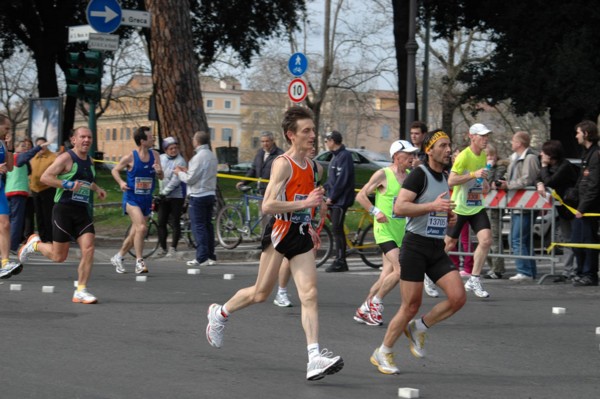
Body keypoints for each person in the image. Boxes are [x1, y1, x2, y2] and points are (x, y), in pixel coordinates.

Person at [206, 106, 344, 381]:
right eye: (306, 131)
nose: (312, 135)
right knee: (260, 294)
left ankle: (314, 357)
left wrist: (314, 221)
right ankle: (219, 313)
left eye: (313, 130)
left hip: (301, 233)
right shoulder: (283, 163)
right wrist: (304, 203)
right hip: (280, 232)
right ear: (290, 135)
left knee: (310, 294)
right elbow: (267, 205)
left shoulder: (314, 166)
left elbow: (311, 198)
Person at [370, 129, 465, 375]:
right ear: (429, 150)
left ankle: (420, 327)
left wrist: (447, 215)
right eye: (443, 146)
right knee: (410, 305)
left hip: (435, 246)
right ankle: (384, 351)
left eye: (449, 146)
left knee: (458, 297)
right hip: (414, 246)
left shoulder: (443, 176)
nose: (448, 150)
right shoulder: (418, 175)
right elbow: (399, 208)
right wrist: (433, 206)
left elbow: (434, 208)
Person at [18, 127, 107, 303]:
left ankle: (80, 290)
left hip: (82, 212)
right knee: (59, 257)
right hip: (63, 210)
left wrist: (98, 189)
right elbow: (45, 177)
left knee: (88, 248)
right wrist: (66, 184)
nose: (86, 140)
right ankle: (35, 244)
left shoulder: (89, 160)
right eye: (82, 137)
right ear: (74, 140)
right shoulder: (66, 158)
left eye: (89, 137)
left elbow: (86, 181)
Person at [354, 139, 435, 326]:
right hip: (384, 231)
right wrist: (376, 211)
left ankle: (363, 309)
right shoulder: (382, 174)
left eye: (414, 154)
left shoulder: (408, 176)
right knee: (401, 270)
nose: (413, 157)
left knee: (386, 276)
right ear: (397, 156)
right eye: (409, 154)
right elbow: (361, 195)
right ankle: (375, 303)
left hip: (401, 232)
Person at [444, 123, 493, 298]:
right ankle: (429, 273)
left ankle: (474, 278)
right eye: (482, 136)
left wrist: (484, 183)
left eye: (487, 136)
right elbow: (451, 181)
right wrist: (473, 175)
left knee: (486, 240)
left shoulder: (483, 155)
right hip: (460, 207)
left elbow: (479, 178)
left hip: (476, 205)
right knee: (448, 244)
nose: (485, 139)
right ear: (471, 136)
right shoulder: (463, 156)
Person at [110, 126, 163, 274]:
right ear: (142, 141)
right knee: (142, 228)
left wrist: (159, 172)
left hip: (146, 199)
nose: (153, 138)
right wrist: (121, 183)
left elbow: (161, 177)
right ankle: (139, 262)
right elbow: (114, 170)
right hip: (131, 198)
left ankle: (118, 256)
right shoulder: (130, 157)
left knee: (135, 232)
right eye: (150, 136)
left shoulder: (155, 155)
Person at [496, 131, 540, 281]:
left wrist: (508, 185)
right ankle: (529, 271)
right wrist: (503, 182)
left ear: (520, 143)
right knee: (523, 240)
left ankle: (524, 271)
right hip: (517, 204)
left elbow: (527, 179)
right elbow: (511, 176)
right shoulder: (515, 158)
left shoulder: (530, 158)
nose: (511, 143)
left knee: (517, 239)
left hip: (525, 204)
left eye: (513, 140)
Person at [535, 140, 579, 281]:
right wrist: (539, 183)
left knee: (576, 239)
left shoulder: (565, 166)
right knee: (567, 239)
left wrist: (543, 169)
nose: (541, 154)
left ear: (551, 154)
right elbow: (538, 178)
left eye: (543, 152)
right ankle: (567, 271)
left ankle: (577, 270)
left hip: (575, 206)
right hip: (563, 208)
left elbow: (550, 181)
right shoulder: (550, 166)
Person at [174, 131, 218, 267]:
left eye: (193, 139)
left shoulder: (197, 158)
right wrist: (187, 170)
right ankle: (211, 255)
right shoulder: (212, 156)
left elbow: (190, 179)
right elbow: (202, 174)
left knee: (198, 226)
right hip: (210, 193)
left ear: (197, 142)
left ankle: (201, 257)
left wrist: (179, 173)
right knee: (208, 226)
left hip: (198, 195)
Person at [570, 120, 600, 287]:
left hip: (589, 208)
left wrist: (582, 208)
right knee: (577, 241)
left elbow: (594, 185)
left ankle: (590, 274)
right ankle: (580, 271)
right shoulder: (586, 154)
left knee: (589, 242)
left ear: (586, 134)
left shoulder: (596, 155)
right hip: (581, 207)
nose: (576, 136)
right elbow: (582, 180)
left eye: (578, 132)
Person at [6, 138, 47, 252]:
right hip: (18, 192)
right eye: (22, 146)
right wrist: (39, 147)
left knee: (7, 221)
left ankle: (5, 245)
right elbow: (28, 155)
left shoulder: (10, 159)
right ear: (16, 147)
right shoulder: (18, 157)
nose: (25, 148)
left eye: (26, 146)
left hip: (8, 191)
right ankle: (12, 246)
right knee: (16, 221)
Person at [323, 130, 355, 272]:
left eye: (326, 141)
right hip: (336, 199)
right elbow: (332, 181)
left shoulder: (345, 156)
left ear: (332, 141)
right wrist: (322, 189)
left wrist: (332, 197)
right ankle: (340, 259)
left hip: (341, 201)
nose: (326, 143)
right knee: (336, 229)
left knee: (337, 228)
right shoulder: (335, 157)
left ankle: (341, 260)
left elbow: (343, 180)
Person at [156, 136, 187, 258]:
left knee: (175, 222)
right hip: (163, 195)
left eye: (175, 148)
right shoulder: (161, 158)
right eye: (171, 148)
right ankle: (162, 248)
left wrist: (164, 192)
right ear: (165, 149)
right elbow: (159, 174)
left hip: (176, 196)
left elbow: (175, 181)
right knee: (161, 222)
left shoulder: (180, 161)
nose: (174, 150)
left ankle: (173, 248)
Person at [0, 115, 22, 278]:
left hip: (0, 188)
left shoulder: (2, 143)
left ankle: (5, 263)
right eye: (6, 128)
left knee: (5, 225)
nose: (8, 131)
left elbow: (10, 167)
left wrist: (8, 147)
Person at [484, 144, 509, 279]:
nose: (489, 158)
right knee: (483, 238)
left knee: (494, 237)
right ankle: (490, 266)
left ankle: (497, 268)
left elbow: (491, 182)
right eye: (486, 156)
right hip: (482, 206)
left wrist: (489, 167)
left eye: (491, 155)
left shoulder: (499, 167)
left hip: (494, 207)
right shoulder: (479, 167)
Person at [29, 136, 57, 243]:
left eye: (43, 145)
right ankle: (42, 237)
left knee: (47, 214)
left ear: (47, 145)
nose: (41, 147)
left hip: (47, 189)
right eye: (38, 145)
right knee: (39, 216)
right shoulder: (33, 157)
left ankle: (50, 238)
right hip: (35, 190)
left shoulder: (53, 157)